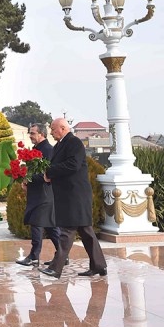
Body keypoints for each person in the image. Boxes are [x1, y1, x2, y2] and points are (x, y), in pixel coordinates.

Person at [39, 117, 108, 280]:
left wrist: (50, 172)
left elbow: (73, 165)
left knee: (67, 230)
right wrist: (48, 173)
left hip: (75, 195)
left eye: (53, 129)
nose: (51, 132)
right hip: (68, 194)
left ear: (62, 128)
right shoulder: (59, 145)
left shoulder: (74, 142)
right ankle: (99, 266)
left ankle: (56, 268)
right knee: (85, 231)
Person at [15, 123, 62, 267]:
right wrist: (25, 179)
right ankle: (63, 255)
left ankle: (34, 256)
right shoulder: (36, 149)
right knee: (51, 227)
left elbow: (47, 174)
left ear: (41, 134)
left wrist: (28, 179)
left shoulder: (48, 150)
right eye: (30, 133)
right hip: (38, 193)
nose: (30, 135)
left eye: (33, 133)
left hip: (44, 194)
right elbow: (33, 172)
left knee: (37, 223)